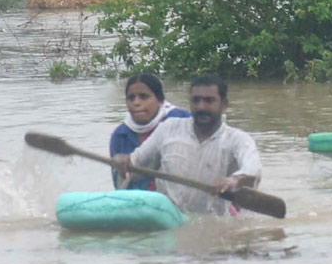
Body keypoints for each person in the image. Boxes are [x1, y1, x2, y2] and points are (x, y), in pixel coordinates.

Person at [111, 74, 262, 215]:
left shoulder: (238, 139)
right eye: (196, 100)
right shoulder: (168, 128)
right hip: (170, 220)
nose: (201, 107)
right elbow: (135, 164)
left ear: (224, 104)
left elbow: (252, 170)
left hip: (215, 221)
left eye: (209, 101)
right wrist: (124, 162)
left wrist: (233, 181)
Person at [109, 73, 191, 190]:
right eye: (131, 98)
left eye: (144, 97)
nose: (136, 103)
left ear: (160, 100)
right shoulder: (121, 135)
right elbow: (120, 185)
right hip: (141, 202)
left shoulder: (182, 121)